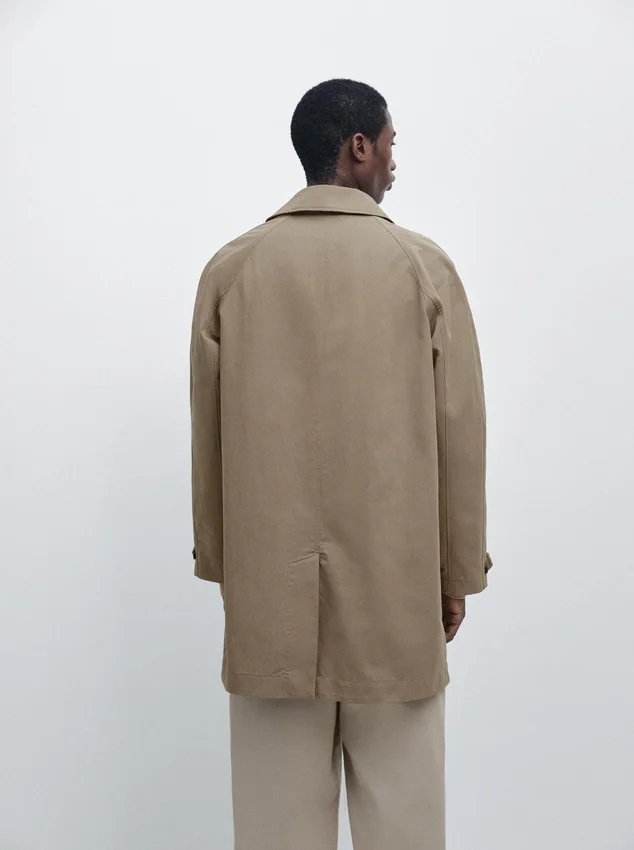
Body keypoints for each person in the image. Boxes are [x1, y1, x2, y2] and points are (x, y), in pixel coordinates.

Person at [189, 78, 492, 850]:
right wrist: (457, 572)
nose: (394, 162)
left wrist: (226, 567)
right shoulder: (422, 267)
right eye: (390, 144)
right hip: (397, 603)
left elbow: (208, 436)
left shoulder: (231, 270)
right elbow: (459, 429)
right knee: (405, 830)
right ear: (358, 147)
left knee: (275, 833)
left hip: (270, 607)